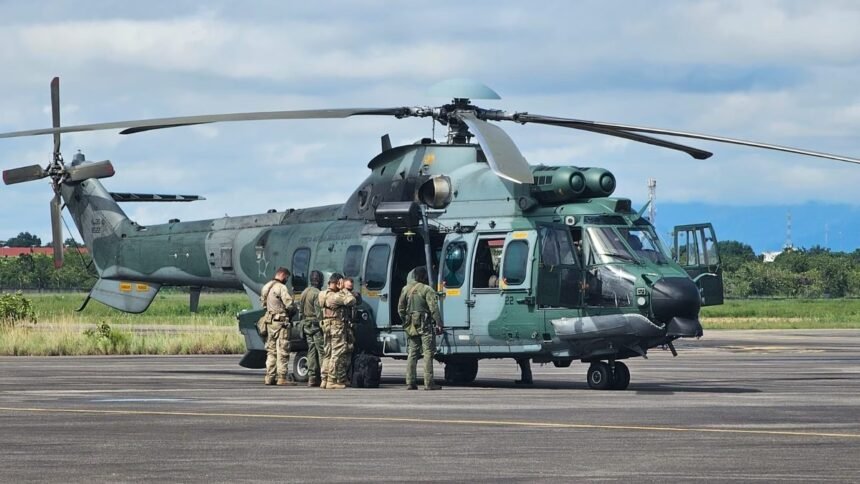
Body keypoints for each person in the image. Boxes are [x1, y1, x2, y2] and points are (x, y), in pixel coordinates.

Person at [398, 266, 443, 390]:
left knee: (412, 353)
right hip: (425, 326)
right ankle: (429, 383)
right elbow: (433, 308)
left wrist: (406, 320)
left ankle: (410, 382)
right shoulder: (427, 289)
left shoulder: (405, 289)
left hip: (411, 326)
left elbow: (400, 309)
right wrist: (439, 323)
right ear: (424, 277)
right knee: (428, 352)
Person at [319, 273, 355, 390]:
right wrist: (343, 290)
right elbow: (351, 300)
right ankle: (331, 380)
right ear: (338, 282)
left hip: (327, 325)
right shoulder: (335, 296)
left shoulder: (322, 294)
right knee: (337, 353)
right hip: (336, 326)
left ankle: (324, 380)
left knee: (327, 353)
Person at [260, 267, 296, 386]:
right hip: (281, 323)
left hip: (269, 323)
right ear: (282, 275)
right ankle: (282, 377)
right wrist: (292, 310)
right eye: (286, 277)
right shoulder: (281, 287)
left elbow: (263, 304)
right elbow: (289, 304)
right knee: (283, 350)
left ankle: (269, 377)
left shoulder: (266, 287)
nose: (286, 279)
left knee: (271, 351)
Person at [298, 270, 324, 387]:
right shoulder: (317, 293)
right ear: (319, 280)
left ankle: (312, 377)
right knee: (322, 351)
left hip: (306, 324)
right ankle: (325, 376)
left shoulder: (304, 292)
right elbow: (319, 313)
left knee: (311, 350)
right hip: (316, 325)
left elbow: (300, 311)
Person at [340, 277, 362, 385]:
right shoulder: (341, 295)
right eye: (347, 288)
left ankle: (347, 376)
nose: (350, 290)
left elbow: (358, 301)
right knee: (342, 353)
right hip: (342, 327)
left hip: (350, 327)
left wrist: (356, 295)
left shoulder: (352, 295)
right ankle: (341, 377)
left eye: (351, 288)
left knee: (350, 352)